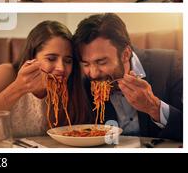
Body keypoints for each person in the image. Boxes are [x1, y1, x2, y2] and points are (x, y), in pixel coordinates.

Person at [0, 21, 91, 143]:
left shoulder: (73, 83)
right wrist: (18, 88)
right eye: (51, 58)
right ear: (32, 58)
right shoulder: (6, 74)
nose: (61, 68)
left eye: (68, 60)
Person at [73, 13, 183, 141]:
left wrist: (153, 107)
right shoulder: (83, 84)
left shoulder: (173, 65)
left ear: (125, 54)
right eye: (86, 63)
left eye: (101, 62)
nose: (93, 73)